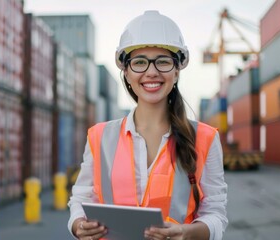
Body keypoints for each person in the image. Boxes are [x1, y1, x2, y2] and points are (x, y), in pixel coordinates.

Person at [68, 10, 228, 240]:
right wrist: (78, 225)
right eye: (140, 62)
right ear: (126, 71)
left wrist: (187, 232)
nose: (151, 72)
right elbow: (81, 198)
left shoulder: (204, 138)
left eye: (162, 62)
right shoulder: (99, 136)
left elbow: (215, 214)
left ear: (176, 71)